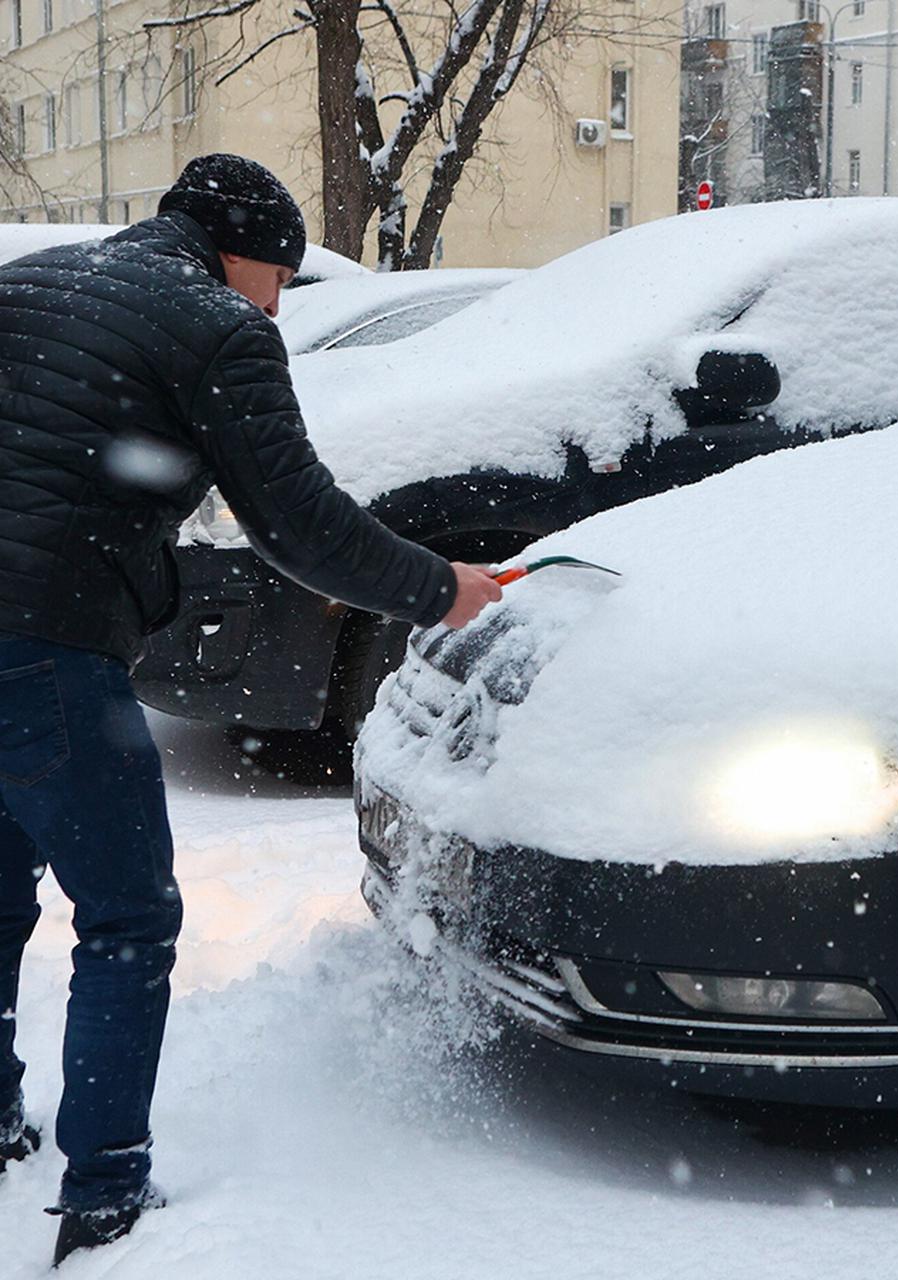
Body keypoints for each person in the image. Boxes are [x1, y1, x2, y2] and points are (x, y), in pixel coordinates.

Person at [0, 154, 501, 1265]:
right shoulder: (217, 324)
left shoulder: (36, 283)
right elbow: (300, 523)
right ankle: (104, 1193)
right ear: (243, 255)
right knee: (127, 919)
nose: (277, 298)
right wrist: (437, 584)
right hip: (45, 648)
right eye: (276, 275)